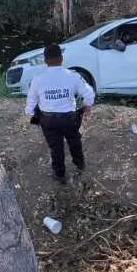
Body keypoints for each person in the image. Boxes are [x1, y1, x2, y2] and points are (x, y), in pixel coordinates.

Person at [25, 44, 95, 185]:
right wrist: (87, 105)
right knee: (74, 141)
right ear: (61, 58)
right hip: (69, 119)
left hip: (48, 120)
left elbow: (30, 104)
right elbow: (89, 94)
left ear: (45, 61)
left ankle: (59, 174)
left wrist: (33, 114)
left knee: (55, 147)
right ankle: (79, 165)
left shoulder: (37, 80)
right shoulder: (73, 76)